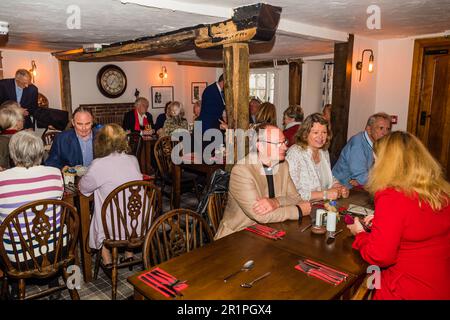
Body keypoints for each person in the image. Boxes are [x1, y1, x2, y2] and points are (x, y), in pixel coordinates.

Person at [347, 131, 450, 300]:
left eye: (376, 160)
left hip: (406, 289)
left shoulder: (391, 195)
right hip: (439, 285)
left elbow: (380, 256)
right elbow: (418, 222)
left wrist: (360, 235)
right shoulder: (440, 190)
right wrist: (383, 222)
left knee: (361, 282)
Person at [214, 124, 311, 239]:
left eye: (284, 142)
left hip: (270, 230)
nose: (285, 147)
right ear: (260, 146)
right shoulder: (242, 170)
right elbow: (261, 216)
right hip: (237, 236)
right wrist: (299, 211)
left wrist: (275, 202)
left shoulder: (283, 165)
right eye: (278, 144)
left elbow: (295, 198)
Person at [79, 124, 143, 266]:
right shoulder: (133, 160)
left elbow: (83, 189)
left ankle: (106, 257)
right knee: (123, 201)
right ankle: (129, 253)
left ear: (101, 142)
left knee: (98, 207)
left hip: (112, 228)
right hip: (137, 223)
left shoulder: (98, 164)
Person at [0, 131, 64, 261]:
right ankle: (53, 279)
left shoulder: (2, 180)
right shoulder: (55, 174)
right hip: (56, 248)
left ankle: (15, 282)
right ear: (40, 151)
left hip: (18, 255)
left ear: (12, 153)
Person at [286, 113, 349, 201]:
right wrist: (325, 194)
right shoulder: (295, 153)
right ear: (305, 133)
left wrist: (338, 187)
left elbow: (326, 178)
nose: (321, 136)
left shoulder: (323, 152)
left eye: (324, 132)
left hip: (321, 206)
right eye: (315, 132)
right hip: (302, 208)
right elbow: (291, 193)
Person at [332, 112, 391, 189]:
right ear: (369, 129)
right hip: (341, 189)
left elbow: (383, 170)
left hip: (356, 189)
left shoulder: (380, 143)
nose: (385, 133)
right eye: (381, 128)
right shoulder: (358, 144)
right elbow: (362, 177)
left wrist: (362, 180)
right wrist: (362, 180)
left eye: (388, 129)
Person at [0, 101, 24, 170]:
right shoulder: (21, 138)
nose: (23, 121)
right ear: (17, 123)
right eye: (22, 119)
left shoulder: (2, 138)